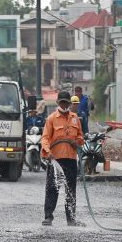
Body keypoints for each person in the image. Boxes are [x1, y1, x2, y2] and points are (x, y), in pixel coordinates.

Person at [41, 91, 85, 227]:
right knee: (52, 188)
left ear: (70, 103)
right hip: (55, 159)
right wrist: (47, 152)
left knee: (71, 189)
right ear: (58, 103)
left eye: (67, 102)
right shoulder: (51, 119)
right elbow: (45, 138)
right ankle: (48, 217)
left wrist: (77, 142)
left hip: (71, 159)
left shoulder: (75, 118)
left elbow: (81, 137)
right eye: (62, 102)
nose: (64, 104)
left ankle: (71, 218)